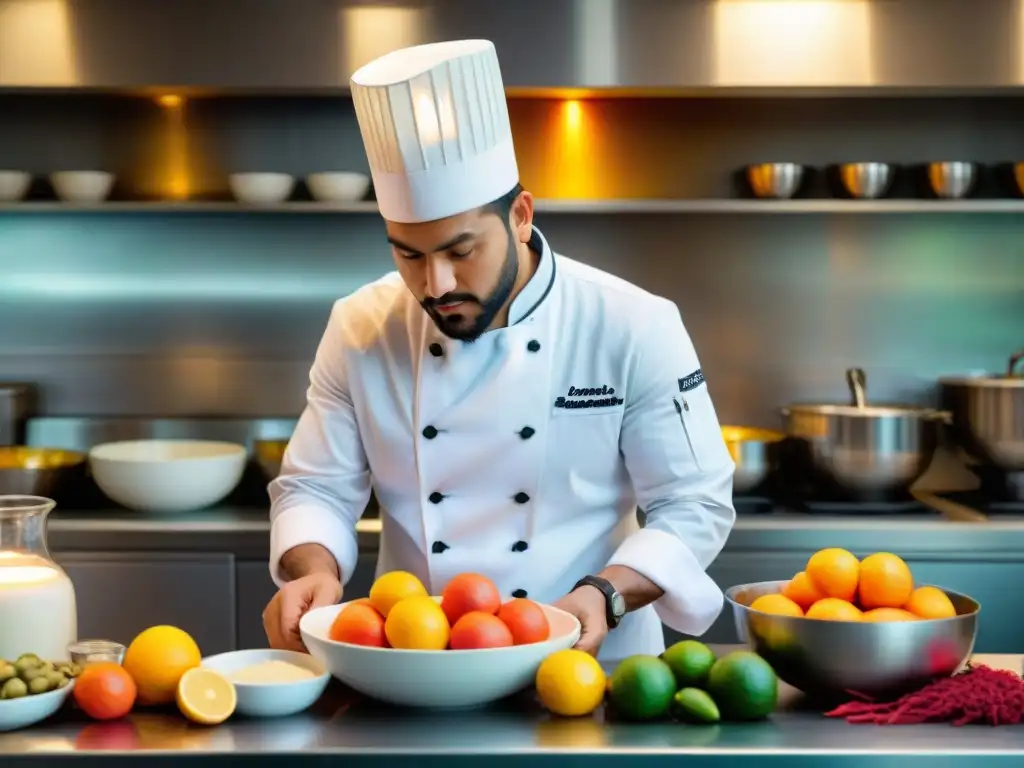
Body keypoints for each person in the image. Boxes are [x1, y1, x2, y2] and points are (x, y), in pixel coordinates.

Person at [262, 39, 736, 662]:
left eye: (461, 251)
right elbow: (316, 489)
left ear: (519, 214)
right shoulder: (360, 326)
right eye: (408, 253)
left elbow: (693, 503)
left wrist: (607, 594)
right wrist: (311, 567)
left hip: (593, 663)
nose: (437, 285)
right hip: (412, 662)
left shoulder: (633, 324)